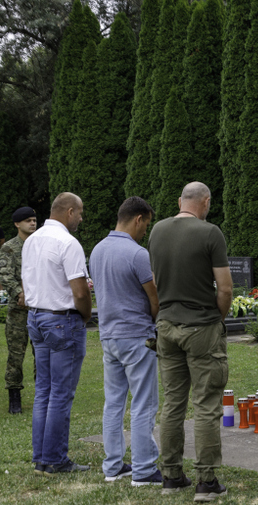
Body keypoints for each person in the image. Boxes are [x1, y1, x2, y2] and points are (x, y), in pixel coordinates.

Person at [148, 182, 232, 502]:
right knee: (206, 404)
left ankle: (170, 475)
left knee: (172, 403)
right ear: (206, 202)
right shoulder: (210, 232)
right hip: (201, 326)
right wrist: (217, 318)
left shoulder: (157, 230)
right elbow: (225, 288)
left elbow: (155, 281)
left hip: (166, 326)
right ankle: (206, 481)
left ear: (179, 201)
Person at [89, 197, 162, 487]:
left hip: (109, 336)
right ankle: (144, 470)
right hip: (137, 336)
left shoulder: (97, 250)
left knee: (114, 402)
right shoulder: (137, 254)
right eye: (146, 224)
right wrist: (154, 324)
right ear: (138, 219)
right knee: (144, 403)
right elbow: (154, 299)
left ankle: (113, 466)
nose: (145, 230)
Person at [22, 193, 92, 476]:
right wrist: (85, 316)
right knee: (61, 393)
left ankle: (41, 458)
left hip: (36, 317)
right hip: (62, 320)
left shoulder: (32, 240)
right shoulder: (68, 242)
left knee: (44, 391)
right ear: (70, 211)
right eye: (80, 213)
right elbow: (80, 292)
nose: (81, 219)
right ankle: (55, 459)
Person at [0, 207, 38, 414]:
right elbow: (4, 274)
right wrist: (18, 293)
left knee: (41, 354)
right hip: (18, 310)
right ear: (17, 224)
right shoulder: (10, 248)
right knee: (16, 354)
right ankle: (14, 396)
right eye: (28, 220)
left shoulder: (40, 244)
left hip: (40, 308)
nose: (32, 223)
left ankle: (42, 394)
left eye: (34, 220)